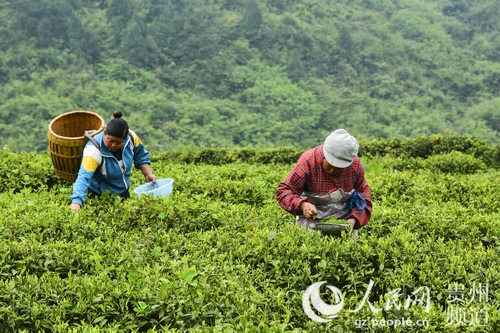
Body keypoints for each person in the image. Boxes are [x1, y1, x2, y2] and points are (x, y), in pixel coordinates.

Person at [276, 129, 372, 232]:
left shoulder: (355, 166)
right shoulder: (308, 161)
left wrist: (353, 220)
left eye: (339, 167)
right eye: (330, 165)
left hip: (344, 225)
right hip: (310, 226)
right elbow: (284, 191)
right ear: (324, 154)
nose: (333, 170)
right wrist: (302, 205)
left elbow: (364, 198)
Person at [70, 111, 157, 211]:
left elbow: (140, 154)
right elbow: (84, 177)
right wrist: (76, 202)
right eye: (110, 140)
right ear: (105, 132)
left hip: (123, 192)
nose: (114, 145)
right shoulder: (94, 151)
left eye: (119, 142)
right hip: (99, 196)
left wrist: (148, 174)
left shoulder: (131, 137)